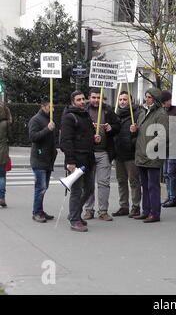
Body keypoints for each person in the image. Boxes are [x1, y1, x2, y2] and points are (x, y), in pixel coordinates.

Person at [60, 91, 97, 232]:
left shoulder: (85, 115)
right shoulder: (69, 117)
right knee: (76, 190)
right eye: (78, 99)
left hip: (88, 159)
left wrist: (94, 137)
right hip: (76, 159)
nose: (82, 101)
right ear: (73, 102)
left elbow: (86, 136)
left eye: (83, 99)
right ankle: (75, 219)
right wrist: (70, 161)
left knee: (89, 189)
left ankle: (74, 213)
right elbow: (65, 141)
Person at [82, 88, 121, 221]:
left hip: (104, 152)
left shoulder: (108, 110)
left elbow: (117, 126)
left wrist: (111, 128)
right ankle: (88, 210)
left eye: (98, 97)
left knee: (104, 183)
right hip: (88, 153)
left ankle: (103, 211)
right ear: (89, 97)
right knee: (88, 183)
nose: (96, 100)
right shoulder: (84, 111)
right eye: (93, 97)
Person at [132, 88, 169, 223]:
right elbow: (141, 133)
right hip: (141, 154)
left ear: (155, 99)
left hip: (152, 155)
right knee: (145, 185)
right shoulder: (142, 113)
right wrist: (134, 130)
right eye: (146, 96)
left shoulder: (161, 114)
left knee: (153, 186)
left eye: (149, 97)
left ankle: (155, 213)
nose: (146, 99)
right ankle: (146, 210)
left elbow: (163, 135)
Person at [112, 91, 141, 218]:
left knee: (133, 181)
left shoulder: (137, 114)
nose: (122, 102)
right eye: (120, 100)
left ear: (131, 101)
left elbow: (142, 134)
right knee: (121, 181)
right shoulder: (115, 114)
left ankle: (135, 206)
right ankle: (124, 206)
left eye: (125, 99)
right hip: (119, 153)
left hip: (131, 153)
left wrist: (135, 131)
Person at [28, 97, 57, 222]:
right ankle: (36, 212)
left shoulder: (48, 119)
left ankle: (40, 209)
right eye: (50, 107)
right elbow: (33, 137)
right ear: (43, 107)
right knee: (40, 187)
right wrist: (47, 129)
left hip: (48, 159)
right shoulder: (35, 120)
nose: (53, 109)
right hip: (39, 158)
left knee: (44, 187)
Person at [160, 90, 176, 208]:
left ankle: (174, 197)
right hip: (166, 145)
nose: (163, 105)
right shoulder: (166, 110)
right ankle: (170, 196)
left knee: (172, 173)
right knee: (166, 173)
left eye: (165, 103)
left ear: (170, 100)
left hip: (174, 146)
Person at [0, 101, 12, 208]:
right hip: (2, 153)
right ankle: (2, 198)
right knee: (2, 176)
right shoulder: (6, 124)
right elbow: (11, 137)